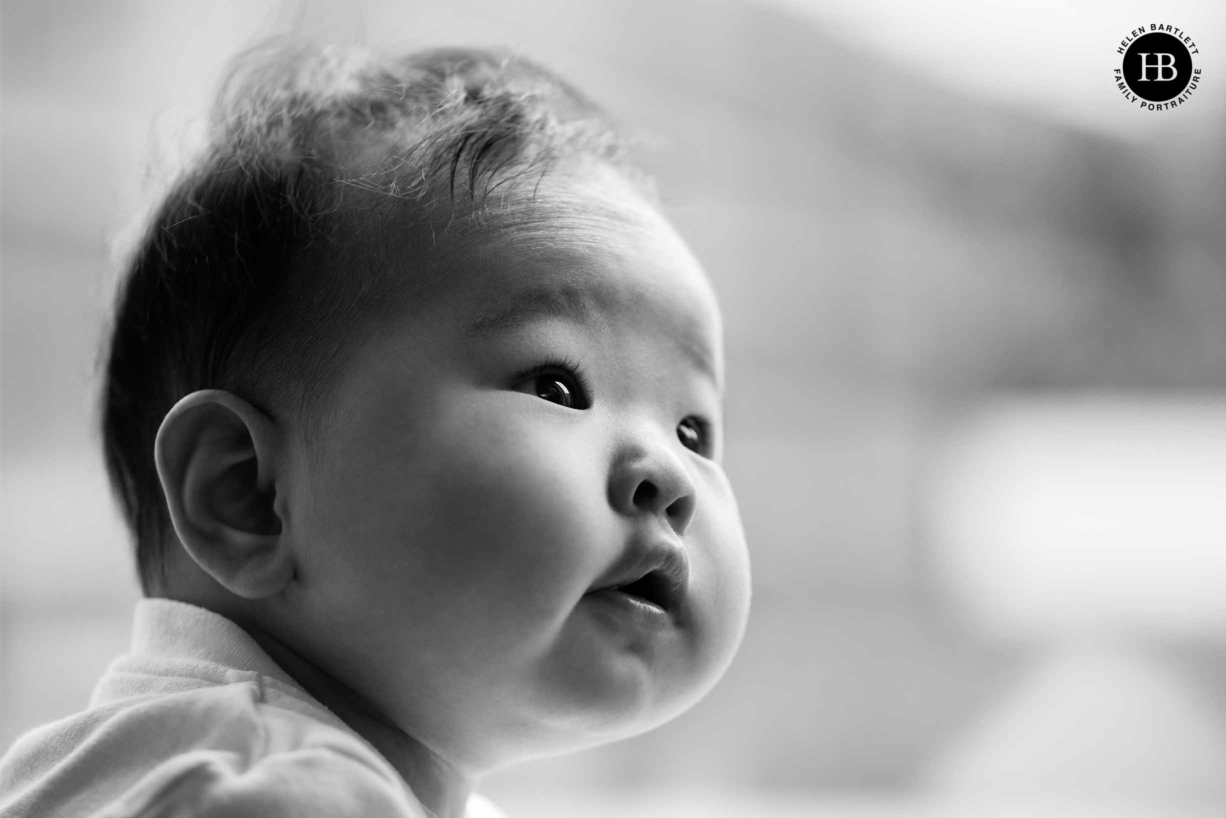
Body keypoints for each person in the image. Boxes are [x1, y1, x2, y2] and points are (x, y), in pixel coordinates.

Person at [0, 39, 752, 818]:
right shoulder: (282, 794)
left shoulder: (194, 766)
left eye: (695, 430)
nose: (667, 473)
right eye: (556, 385)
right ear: (248, 495)